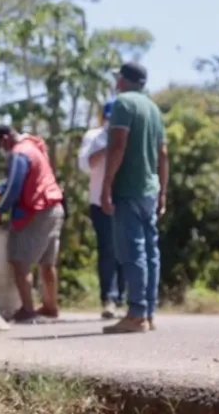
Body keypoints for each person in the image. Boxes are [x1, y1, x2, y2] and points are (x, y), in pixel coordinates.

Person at [100, 62, 168, 334]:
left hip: (128, 188)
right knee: (151, 251)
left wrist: (106, 185)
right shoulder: (153, 109)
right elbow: (163, 154)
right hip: (150, 190)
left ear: (124, 80)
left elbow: (118, 146)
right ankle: (148, 313)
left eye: (118, 78)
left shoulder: (123, 104)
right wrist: (163, 192)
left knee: (132, 251)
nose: (116, 82)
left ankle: (136, 314)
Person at [0, 125, 65, 323]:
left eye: (0, 145)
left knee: (19, 261)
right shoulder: (33, 146)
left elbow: (14, 188)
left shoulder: (19, 153)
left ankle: (28, 311)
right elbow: (23, 178)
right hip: (55, 209)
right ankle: (50, 307)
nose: (3, 150)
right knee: (47, 263)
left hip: (36, 212)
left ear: (5, 138)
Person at [78, 100, 125, 320]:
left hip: (125, 202)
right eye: (109, 117)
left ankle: (123, 298)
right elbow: (84, 165)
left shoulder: (129, 136)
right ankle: (109, 299)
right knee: (108, 250)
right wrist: (108, 149)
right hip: (100, 201)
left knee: (125, 251)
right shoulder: (94, 137)